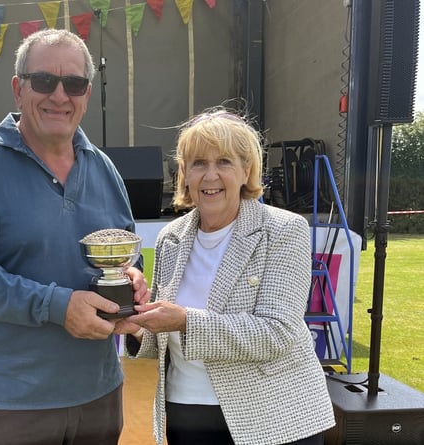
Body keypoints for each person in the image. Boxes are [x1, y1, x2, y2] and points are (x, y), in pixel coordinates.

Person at [0, 29, 149, 445]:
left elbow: (126, 258)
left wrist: (131, 280)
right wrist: (57, 306)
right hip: (9, 407)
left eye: (74, 84)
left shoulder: (105, 169)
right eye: (44, 81)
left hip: (99, 397)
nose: (59, 96)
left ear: (87, 93)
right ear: (18, 88)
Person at [118, 108, 336, 445]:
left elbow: (277, 333)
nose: (210, 176)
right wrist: (136, 327)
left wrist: (185, 321)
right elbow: (161, 342)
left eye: (224, 162)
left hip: (272, 420)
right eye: (198, 164)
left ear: (246, 169)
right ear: (184, 175)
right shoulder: (170, 238)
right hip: (186, 415)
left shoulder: (283, 230)